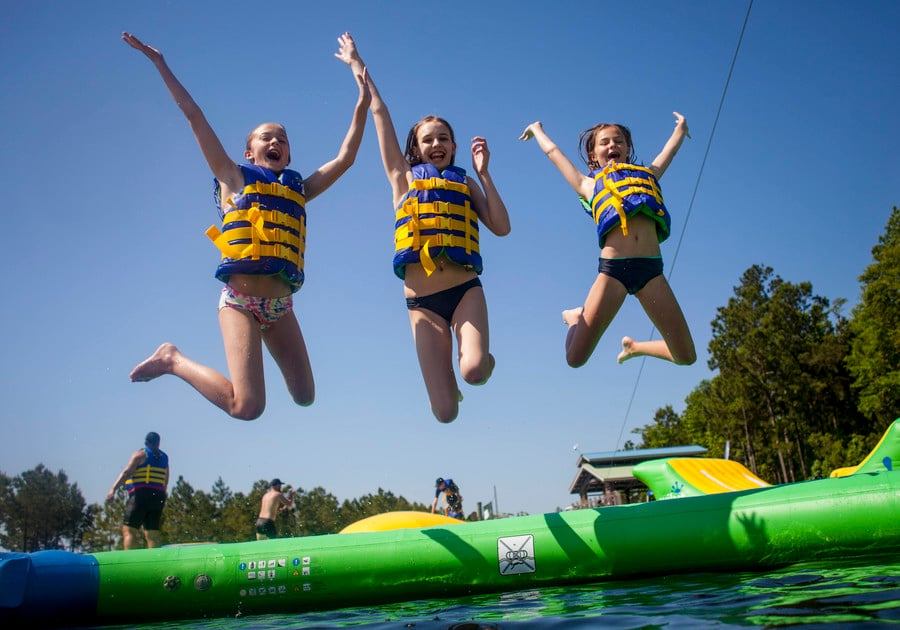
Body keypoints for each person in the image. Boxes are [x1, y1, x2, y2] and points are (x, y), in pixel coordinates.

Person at [124, 32, 371, 420]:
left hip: (279, 305)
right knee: (247, 407)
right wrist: (160, 64)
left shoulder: (299, 189)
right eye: (266, 137)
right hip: (239, 303)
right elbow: (194, 115)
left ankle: (258, 346)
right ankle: (172, 360)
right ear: (249, 152)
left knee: (305, 396)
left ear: (288, 153)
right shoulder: (232, 175)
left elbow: (346, 158)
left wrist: (363, 99)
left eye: (283, 139)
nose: (276, 141)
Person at [335, 33, 511, 423]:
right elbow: (380, 114)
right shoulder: (404, 179)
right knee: (445, 413)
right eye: (427, 138)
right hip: (423, 305)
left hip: (465, 290)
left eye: (444, 138)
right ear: (415, 147)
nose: (436, 143)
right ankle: (456, 378)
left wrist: (484, 175)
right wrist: (355, 64)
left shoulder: (464, 183)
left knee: (475, 372)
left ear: (453, 146)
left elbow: (501, 227)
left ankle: (482, 358)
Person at [519, 115, 696, 368]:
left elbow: (669, 151)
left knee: (686, 356)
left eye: (618, 141)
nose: (612, 146)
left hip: (652, 272)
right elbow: (553, 152)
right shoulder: (588, 184)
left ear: (627, 149)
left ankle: (636, 347)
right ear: (593, 154)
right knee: (575, 359)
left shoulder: (648, 176)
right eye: (604, 143)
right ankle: (574, 318)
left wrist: (680, 130)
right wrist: (537, 131)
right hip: (613, 273)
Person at [107, 432, 169, 549]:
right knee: (153, 533)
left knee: (129, 530)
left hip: (141, 495)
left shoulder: (139, 455)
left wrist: (113, 489)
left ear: (146, 442)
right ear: (158, 443)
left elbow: (126, 473)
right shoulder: (164, 458)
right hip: (158, 497)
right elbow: (165, 478)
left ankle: (130, 562)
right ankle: (154, 562)